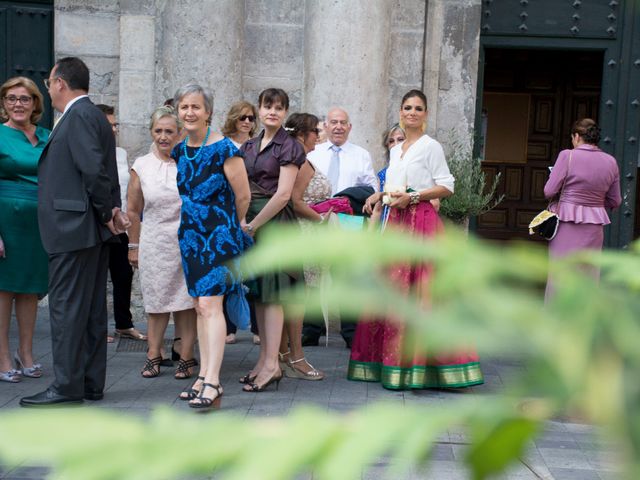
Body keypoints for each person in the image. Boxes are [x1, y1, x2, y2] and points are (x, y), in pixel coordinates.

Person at [347, 89, 484, 390]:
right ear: (400, 112)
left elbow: (446, 186)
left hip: (420, 222)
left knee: (422, 291)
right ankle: (391, 363)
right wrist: (381, 194)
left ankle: (424, 367)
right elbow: (396, 184)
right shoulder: (397, 150)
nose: (412, 112)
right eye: (407, 107)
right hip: (396, 221)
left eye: (418, 108)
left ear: (425, 114)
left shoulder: (430, 147)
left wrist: (414, 197)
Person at [20, 57, 130, 407]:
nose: (48, 89)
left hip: (74, 227)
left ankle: (66, 387)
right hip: (88, 228)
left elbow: (93, 171)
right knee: (91, 309)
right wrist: (110, 212)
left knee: (67, 309)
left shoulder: (79, 115)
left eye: (50, 83)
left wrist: (106, 211)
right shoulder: (94, 115)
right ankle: (89, 383)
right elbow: (105, 172)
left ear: (59, 83)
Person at [173, 84, 251, 410]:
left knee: (211, 306)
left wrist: (234, 226)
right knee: (200, 307)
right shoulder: (180, 150)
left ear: (208, 112)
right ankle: (204, 374)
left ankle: (214, 382)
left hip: (219, 237)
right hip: (190, 237)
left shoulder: (225, 150)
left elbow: (243, 195)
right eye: (184, 107)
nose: (189, 112)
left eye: (196, 107)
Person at [239, 88, 306, 392]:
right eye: (268, 106)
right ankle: (264, 360)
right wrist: (242, 220)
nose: (273, 112)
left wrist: (252, 224)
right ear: (260, 109)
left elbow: (283, 195)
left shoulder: (289, 146)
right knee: (260, 294)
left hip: (276, 224)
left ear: (285, 112)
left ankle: (273, 365)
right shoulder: (249, 145)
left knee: (275, 294)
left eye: (279, 108)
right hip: (252, 222)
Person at [126, 106, 197, 379]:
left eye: (170, 131)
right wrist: (134, 245)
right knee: (156, 302)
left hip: (186, 241)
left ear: (180, 133)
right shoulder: (141, 165)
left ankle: (187, 357)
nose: (164, 136)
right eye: (159, 131)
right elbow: (133, 210)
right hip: (154, 241)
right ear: (151, 132)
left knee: (186, 303)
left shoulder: (190, 162)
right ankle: (153, 354)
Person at [302, 107, 379, 348]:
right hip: (318, 221)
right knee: (314, 276)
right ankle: (310, 331)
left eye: (343, 123)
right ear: (325, 126)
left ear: (349, 127)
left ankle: (351, 333)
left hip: (348, 224)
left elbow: (371, 186)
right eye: (333, 122)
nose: (338, 127)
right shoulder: (314, 153)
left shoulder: (361, 154)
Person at [0, 76, 49, 383]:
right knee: (4, 290)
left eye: (24, 98)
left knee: (31, 290)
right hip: (6, 219)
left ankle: (26, 352)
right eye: (11, 98)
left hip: (39, 221)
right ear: (4, 103)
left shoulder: (46, 135)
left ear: (35, 104)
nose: (18, 104)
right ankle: (3, 355)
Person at [544, 118, 621, 299]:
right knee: (588, 275)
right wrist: (593, 203)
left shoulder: (567, 155)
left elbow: (549, 191)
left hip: (566, 224)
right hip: (594, 227)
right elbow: (615, 200)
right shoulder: (611, 162)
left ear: (577, 136)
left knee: (560, 274)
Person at [278, 112, 326, 381]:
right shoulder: (300, 162)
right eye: (315, 132)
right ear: (302, 134)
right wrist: (321, 218)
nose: (318, 137)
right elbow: (295, 201)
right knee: (296, 300)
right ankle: (295, 356)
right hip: (303, 233)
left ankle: (285, 354)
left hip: (302, 232)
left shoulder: (295, 158)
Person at [95, 104, 147, 343]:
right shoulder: (91, 151)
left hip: (120, 223)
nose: (114, 129)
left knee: (123, 274)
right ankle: (96, 327)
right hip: (97, 224)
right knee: (96, 278)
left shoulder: (120, 153)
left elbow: (123, 188)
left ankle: (124, 324)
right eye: (109, 125)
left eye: (115, 125)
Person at [220, 100, 260, 345]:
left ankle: (256, 327)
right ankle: (228, 326)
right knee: (229, 271)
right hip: (229, 213)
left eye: (251, 118)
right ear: (233, 118)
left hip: (254, 211)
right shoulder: (224, 146)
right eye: (242, 117)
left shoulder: (256, 146)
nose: (247, 122)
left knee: (254, 270)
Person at [378, 124, 405, 192]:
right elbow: (378, 201)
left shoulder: (418, 168)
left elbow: (434, 202)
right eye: (391, 141)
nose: (396, 144)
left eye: (400, 139)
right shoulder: (382, 175)